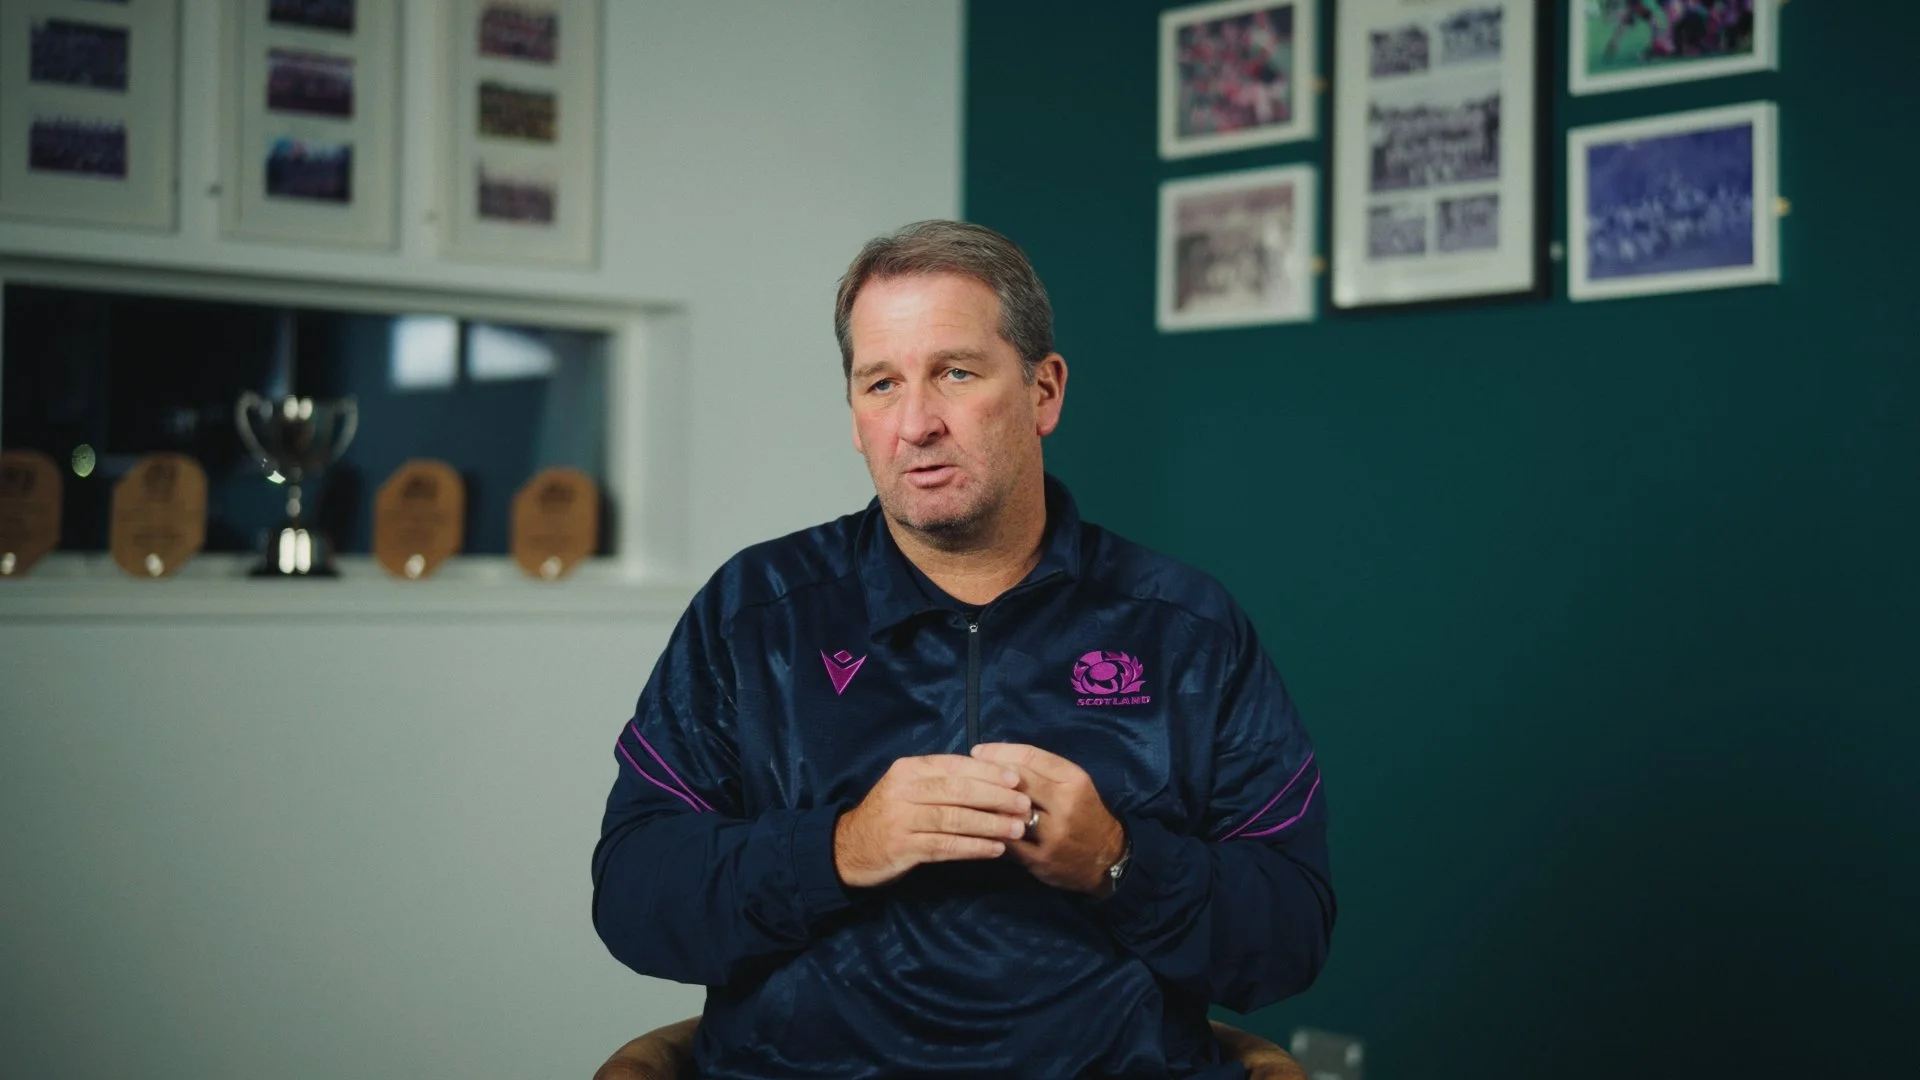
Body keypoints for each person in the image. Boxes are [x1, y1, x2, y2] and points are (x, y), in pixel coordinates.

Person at [591, 221, 1334, 1078]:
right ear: (854, 415)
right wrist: (839, 848)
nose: (915, 423)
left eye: (955, 373)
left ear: (1044, 391)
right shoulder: (755, 615)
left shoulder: (1185, 628)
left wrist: (1117, 860)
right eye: (880, 384)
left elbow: (1292, 934)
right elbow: (634, 896)